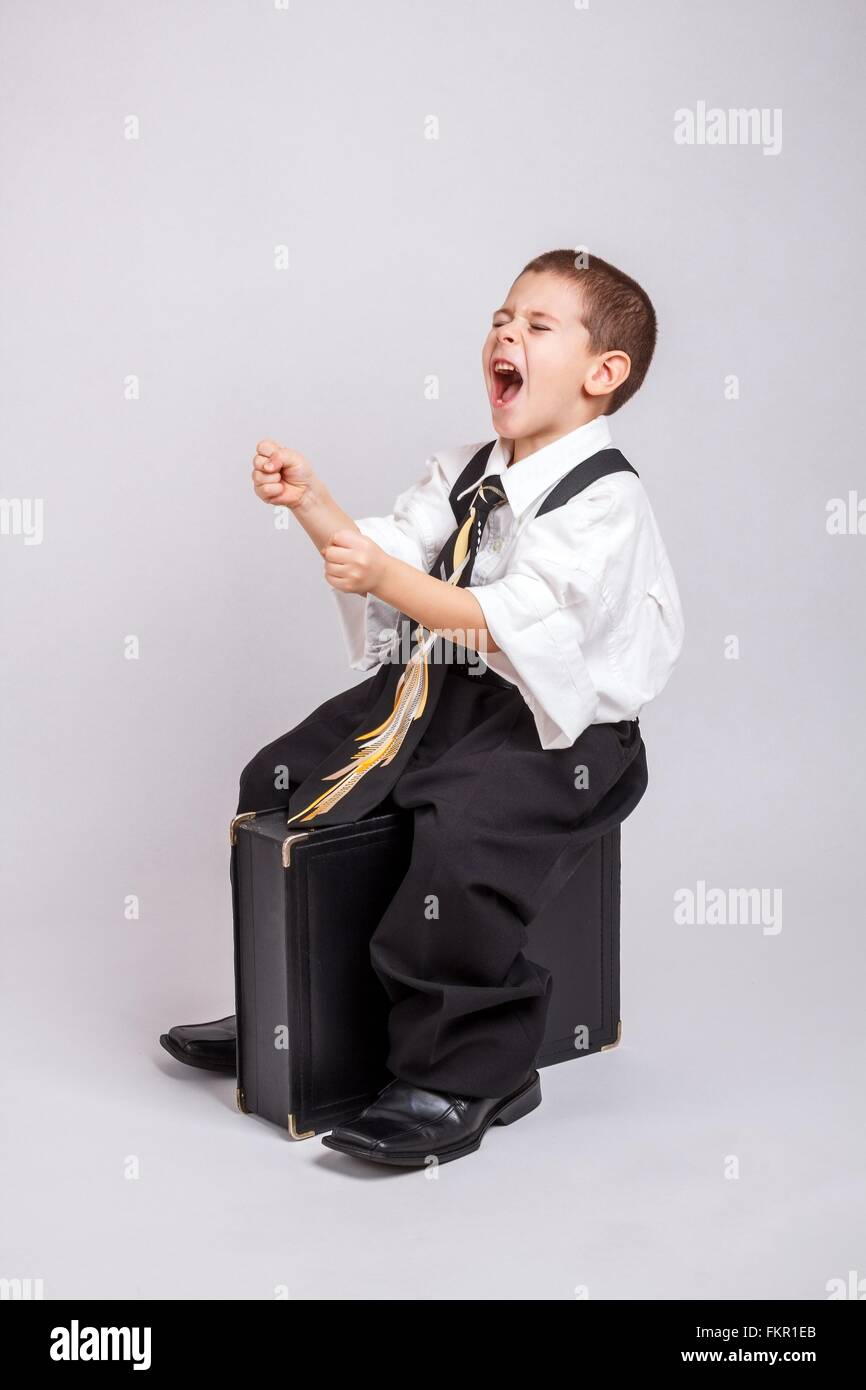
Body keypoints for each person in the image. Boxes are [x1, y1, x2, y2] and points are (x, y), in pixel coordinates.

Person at [159, 248, 685, 1167]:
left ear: (604, 375)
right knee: (285, 779)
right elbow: (387, 559)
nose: (505, 334)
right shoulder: (465, 467)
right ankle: (299, 1010)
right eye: (500, 318)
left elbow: (501, 622)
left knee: (464, 838)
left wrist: (391, 575)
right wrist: (314, 505)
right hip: (441, 692)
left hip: (560, 731)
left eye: (537, 325)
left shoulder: (606, 503)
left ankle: (465, 1070)